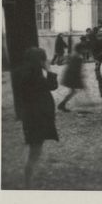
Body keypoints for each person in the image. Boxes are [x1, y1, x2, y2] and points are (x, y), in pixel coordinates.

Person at [14, 47, 59, 188]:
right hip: (37, 117)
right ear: (39, 60)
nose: (46, 61)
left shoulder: (25, 73)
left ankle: (28, 178)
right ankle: (28, 182)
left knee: (34, 147)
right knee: (35, 149)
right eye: (44, 59)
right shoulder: (35, 77)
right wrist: (49, 69)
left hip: (32, 115)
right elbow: (52, 86)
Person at [56, 46, 84, 112]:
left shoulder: (73, 55)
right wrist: (80, 80)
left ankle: (62, 104)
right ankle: (62, 104)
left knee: (73, 91)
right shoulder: (78, 58)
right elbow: (77, 70)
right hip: (72, 77)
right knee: (73, 91)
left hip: (69, 76)